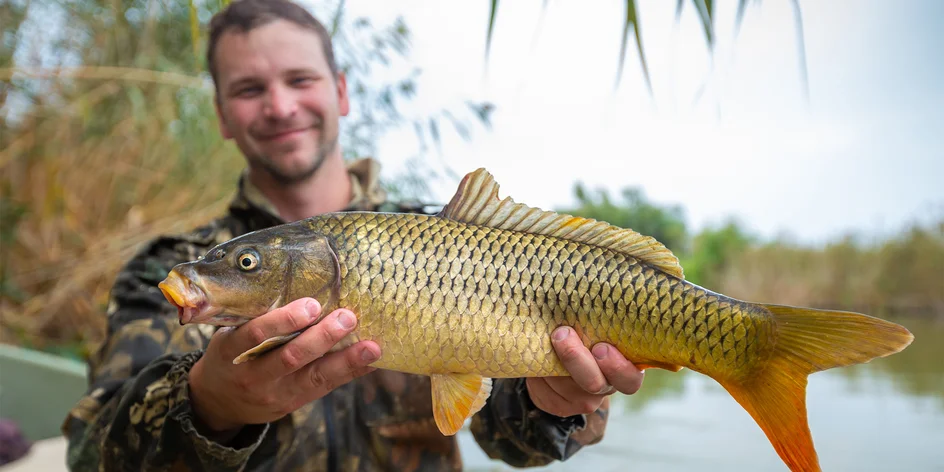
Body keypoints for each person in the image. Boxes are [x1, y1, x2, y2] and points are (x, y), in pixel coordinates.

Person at [61, 0, 646, 470]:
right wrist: (209, 404)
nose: (280, 105)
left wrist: (557, 409)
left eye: (300, 79)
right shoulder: (170, 266)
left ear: (340, 91)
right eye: (248, 89)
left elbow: (510, 443)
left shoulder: (444, 238)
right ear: (220, 114)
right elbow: (90, 456)